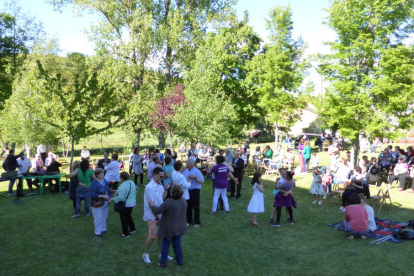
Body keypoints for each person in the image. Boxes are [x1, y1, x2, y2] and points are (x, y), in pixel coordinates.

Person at [148, 184, 187, 267]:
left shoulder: (168, 202)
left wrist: (151, 204)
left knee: (165, 245)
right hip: (179, 228)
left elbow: (157, 210)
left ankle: (163, 263)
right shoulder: (184, 201)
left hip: (169, 229)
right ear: (182, 193)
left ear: (171, 193)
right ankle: (179, 261)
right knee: (177, 244)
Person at [142, 167, 171, 264]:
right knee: (152, 236)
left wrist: (166, 190)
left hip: (160, 214)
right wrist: (156, 218)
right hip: (152, 216)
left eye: (163, 176)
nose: (162, 178)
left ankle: (162, 253)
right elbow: (151, 205)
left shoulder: (159, 184)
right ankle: (145, 254)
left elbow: (162, 197)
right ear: (154, 175)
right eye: (160, 176)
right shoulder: (149, 187)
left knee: (161, 236)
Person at [109, 172, 136, 238]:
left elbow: (121, 197)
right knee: (129, 216)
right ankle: (132, 229)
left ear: (122, 178)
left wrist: (113, 199)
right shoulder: (131, 182)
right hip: (132, 202)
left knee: (123, 219)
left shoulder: (122, 186)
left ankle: (126, 233)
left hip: (125, 204)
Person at [89, 168, 112, 237]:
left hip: (105, 202)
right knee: (98, 217)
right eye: (101, 173)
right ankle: (97, 232)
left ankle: (103, 229)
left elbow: (108, 190)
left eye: (103, 173)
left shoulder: (104, 180)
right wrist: (101, 196)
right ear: (97, 175)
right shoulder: (94, 183)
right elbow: (92, 193)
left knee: (104, 216)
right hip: (97, 203)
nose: (103, 174)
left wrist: (110, 197)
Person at [183, 158, 204, 228]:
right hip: (187, 190)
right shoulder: (185, 171)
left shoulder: (197, 171)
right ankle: (189, 220)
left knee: (196, 206)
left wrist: (195, 177)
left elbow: (202, 181)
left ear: (191, 164)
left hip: (195, 190)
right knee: (188, 206)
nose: (186, 165)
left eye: (187, 164)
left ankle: (197, 222)